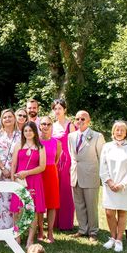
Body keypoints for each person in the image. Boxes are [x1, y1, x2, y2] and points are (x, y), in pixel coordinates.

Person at [100, 121, 127, 253]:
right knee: (109, 212)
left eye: (122, 130)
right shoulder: (107, 147)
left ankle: (118, 240)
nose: (119, 132)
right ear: (113, 131)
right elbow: (103, 166)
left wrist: (122, 184)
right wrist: (109, 182)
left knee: (122, 212)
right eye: (117, 129)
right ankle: (112, 237)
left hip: (125, 187)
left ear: (126, 132)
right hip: (109, 185)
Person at [68, 110, 105, 241]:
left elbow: (102, 157)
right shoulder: (71, 136)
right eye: (77, 119)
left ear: (88, 121)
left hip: (91, 175)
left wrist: (102, 176)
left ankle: (93, 231)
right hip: (75, 175)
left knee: (91, 204)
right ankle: (82, 229)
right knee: (79, 204)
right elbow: (73, 156)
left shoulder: (97, 136)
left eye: (83, 119)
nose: (80, 121)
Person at [10, 122, 46, 247]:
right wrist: (12, 180)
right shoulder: (19, 145)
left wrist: (27, 172)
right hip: (19, 181)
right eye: (25, 131)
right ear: (23, 132)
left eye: (30, 130)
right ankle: (17, 237)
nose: (28, 133)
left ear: (35, 132)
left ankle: (30, 240)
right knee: (17, 210)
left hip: (34, 181)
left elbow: (42, 167)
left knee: (32, 210)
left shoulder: (40, 147)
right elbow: (13, 164)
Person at [0, 109, 20, 230]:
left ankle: (11, 228)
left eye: (10, 117)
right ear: (1, 120)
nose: (7, 119)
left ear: (14, 118)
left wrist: (11, 171)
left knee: (11, 201)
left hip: (14, 173)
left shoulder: (20, 134)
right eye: (5, 117)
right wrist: (3, 168)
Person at [51, 99, 76, 230]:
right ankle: (54, 222)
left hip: (67, 161)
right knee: (55, 190)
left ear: (65, 110)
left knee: (66, 191)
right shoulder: (52, 125)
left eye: (60, 108)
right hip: (54, 160)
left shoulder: (70, 125)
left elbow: (74, 145)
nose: (57, 111)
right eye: (55, 108)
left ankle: (66, 222)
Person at [38, 116, 61, 243]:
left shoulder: (57, 143)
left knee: (52, 204)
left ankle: (50, 232)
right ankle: (40, 230)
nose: (45, 126)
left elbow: (56, 159)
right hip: (39, 173)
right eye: (43, 124)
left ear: (52, 126)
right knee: (40, 204)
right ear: (40, 126)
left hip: (51, 173)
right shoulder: (36, 141)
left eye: (48, 124)